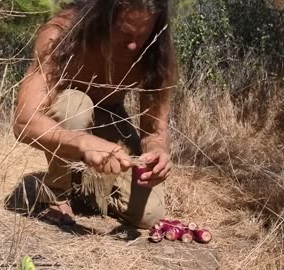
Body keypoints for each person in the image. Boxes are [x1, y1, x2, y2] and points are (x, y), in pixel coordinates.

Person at [12, 0, 179, 229]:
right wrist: (83, 143)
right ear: (100, 17)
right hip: (69, 115)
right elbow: (24, 123)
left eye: (143, 35)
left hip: (111, 116)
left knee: (149, 215)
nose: (133, 46)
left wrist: (157, 150)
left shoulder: (155, 51)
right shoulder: (61, 35)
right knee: (75, 106)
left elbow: (154, 130)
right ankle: (56, 191)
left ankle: (85, 187)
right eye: (124, 33)